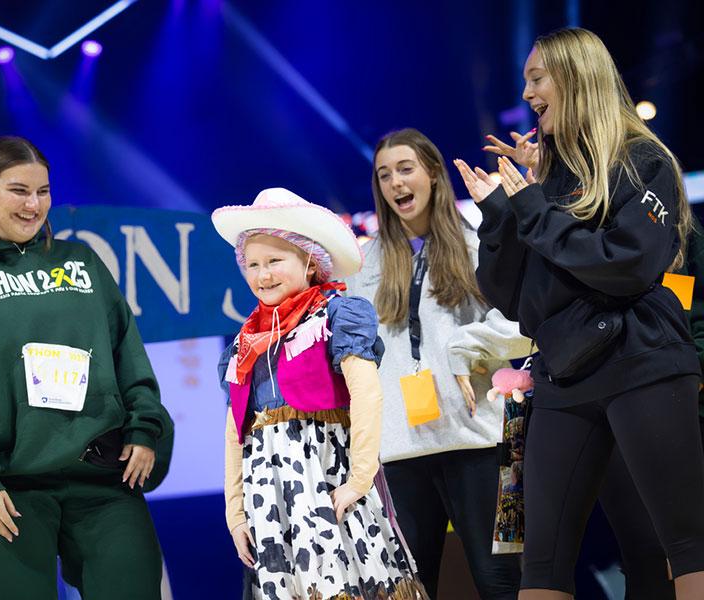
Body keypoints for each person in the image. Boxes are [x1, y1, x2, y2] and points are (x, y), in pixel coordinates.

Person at [454, 27, 704, 599]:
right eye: (526, 81)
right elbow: (517, 302)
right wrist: (500, 215)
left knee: (681, 540)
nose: (528, 93)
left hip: (642, 360)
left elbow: (626, 267)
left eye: (537, 78)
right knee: (539, 558)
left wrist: (534, 208)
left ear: (575, 77)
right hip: (564, 374)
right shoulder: (548, 181)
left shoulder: (642, 160)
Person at [0, 136, 174, 600]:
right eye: (19, 190)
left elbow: (128, 355)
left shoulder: (82, 263)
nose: (35, 205)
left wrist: (144, 429)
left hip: (103, 479)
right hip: (9, 488)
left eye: (44, 191)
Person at [344, 128, 532, 600]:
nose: (395, 183)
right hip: (398, 452)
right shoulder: (362, 266)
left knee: (506, 581)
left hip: (487, 441)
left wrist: (465, 345)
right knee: (408, 588)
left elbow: (530, 321)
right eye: (384, 175)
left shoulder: (478, 246)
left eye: (405, 169)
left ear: (432, 174)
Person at [213, 187, 427, 599]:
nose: (263, 274)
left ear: (310, 262)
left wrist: (358, 481)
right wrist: (235, 512)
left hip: (330, 485)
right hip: (272, 501)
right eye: (253, 264)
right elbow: (235, 431)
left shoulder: (335, 315)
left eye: (275, 261)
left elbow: (367, 396)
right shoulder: (244, 343)